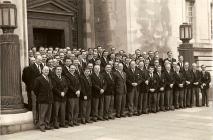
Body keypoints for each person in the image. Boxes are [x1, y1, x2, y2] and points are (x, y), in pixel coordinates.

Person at [33, 66, 53, 132]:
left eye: (47, 70)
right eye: (45, 70)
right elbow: (35, 89)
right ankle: (42, 126)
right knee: (42, 114)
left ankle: (47, 124)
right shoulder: (38, 79)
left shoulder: (49, 78)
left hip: (49, 99)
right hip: (42, 99)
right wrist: (40, 96)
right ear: (42, 71)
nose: (46, 71)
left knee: (48, 113)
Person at [29, 55, 43, 125]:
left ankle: (40, 120)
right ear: (36, 59)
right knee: (34, 105)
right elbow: (29, 79)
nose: (40, 61)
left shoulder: (42, 67)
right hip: (34, 90)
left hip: (41, 90)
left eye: (41, 60)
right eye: (39, 60)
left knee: (40, 105)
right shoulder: (31, 67)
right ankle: (35, 120)